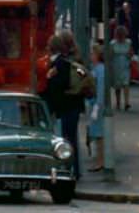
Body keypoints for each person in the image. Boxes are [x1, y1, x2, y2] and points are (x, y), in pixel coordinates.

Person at [40, 34, 85, 179]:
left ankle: (70, 170)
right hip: (72, 106)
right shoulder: (67, 61)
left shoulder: (59, 64)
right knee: (70, 139)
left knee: (66, 140)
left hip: (65, 108)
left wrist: (49, 78)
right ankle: (73, 169)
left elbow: (58, 87)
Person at [86, 44, 105, 172]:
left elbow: (101, 89)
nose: (91, 56)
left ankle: (100, 161)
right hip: (93, 104)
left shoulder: (100, 69)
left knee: (99, 134)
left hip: (97, 105)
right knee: (95, 134)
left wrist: (98, 106)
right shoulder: (96, 69)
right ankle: (98, 160)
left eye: (92, 54)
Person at [111, 25, 133, 111]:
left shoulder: (128, 42)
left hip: (125, 65)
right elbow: (110, 55)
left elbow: (131, 53)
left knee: (126, 83)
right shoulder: (112, 43)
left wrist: (129, 56)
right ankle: (118, 102)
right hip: (116, 65)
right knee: (117, 85)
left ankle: (126, 102)